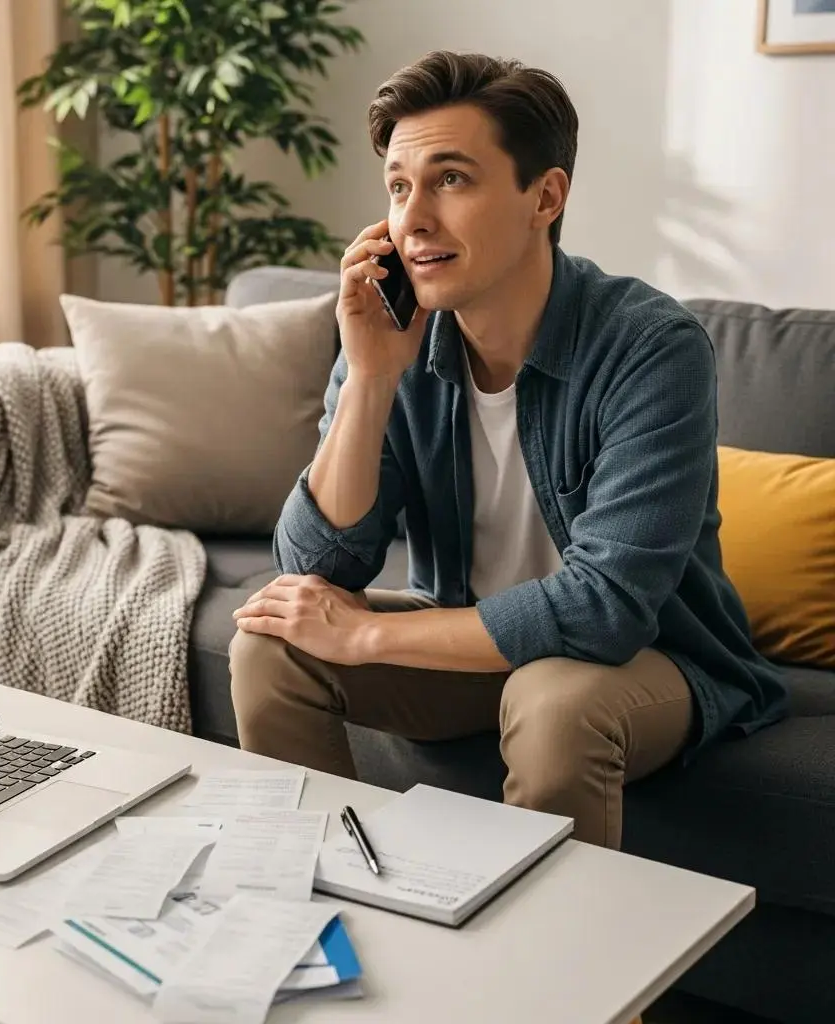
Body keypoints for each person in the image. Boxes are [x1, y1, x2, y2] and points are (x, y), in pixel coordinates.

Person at [227, 50, 788, 852]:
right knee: (269, 642)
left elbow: (607, 609)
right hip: (466, 640)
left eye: (450, 179)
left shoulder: (651, 347)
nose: (412, 218)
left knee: (554, 702)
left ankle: (545, 975)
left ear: (544, 196)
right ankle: (326, 909)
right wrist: (371, 381)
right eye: (397, 186)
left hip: (645, 659)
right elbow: (316, 563)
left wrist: (370, 636)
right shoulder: (390, 335)